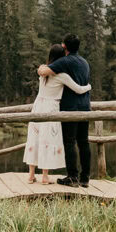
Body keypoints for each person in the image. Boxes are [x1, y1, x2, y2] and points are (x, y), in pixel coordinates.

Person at [24, 43, 92, 184]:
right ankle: (44, 176)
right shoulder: (62, 76)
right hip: (51, 108)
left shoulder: (43, 72)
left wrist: (41, 68)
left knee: (34, 139)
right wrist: (89, 86)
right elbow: (78, 89)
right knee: (47, 140)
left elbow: (41, 70)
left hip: (38, 106)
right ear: (62, 58)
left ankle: (31, 175)